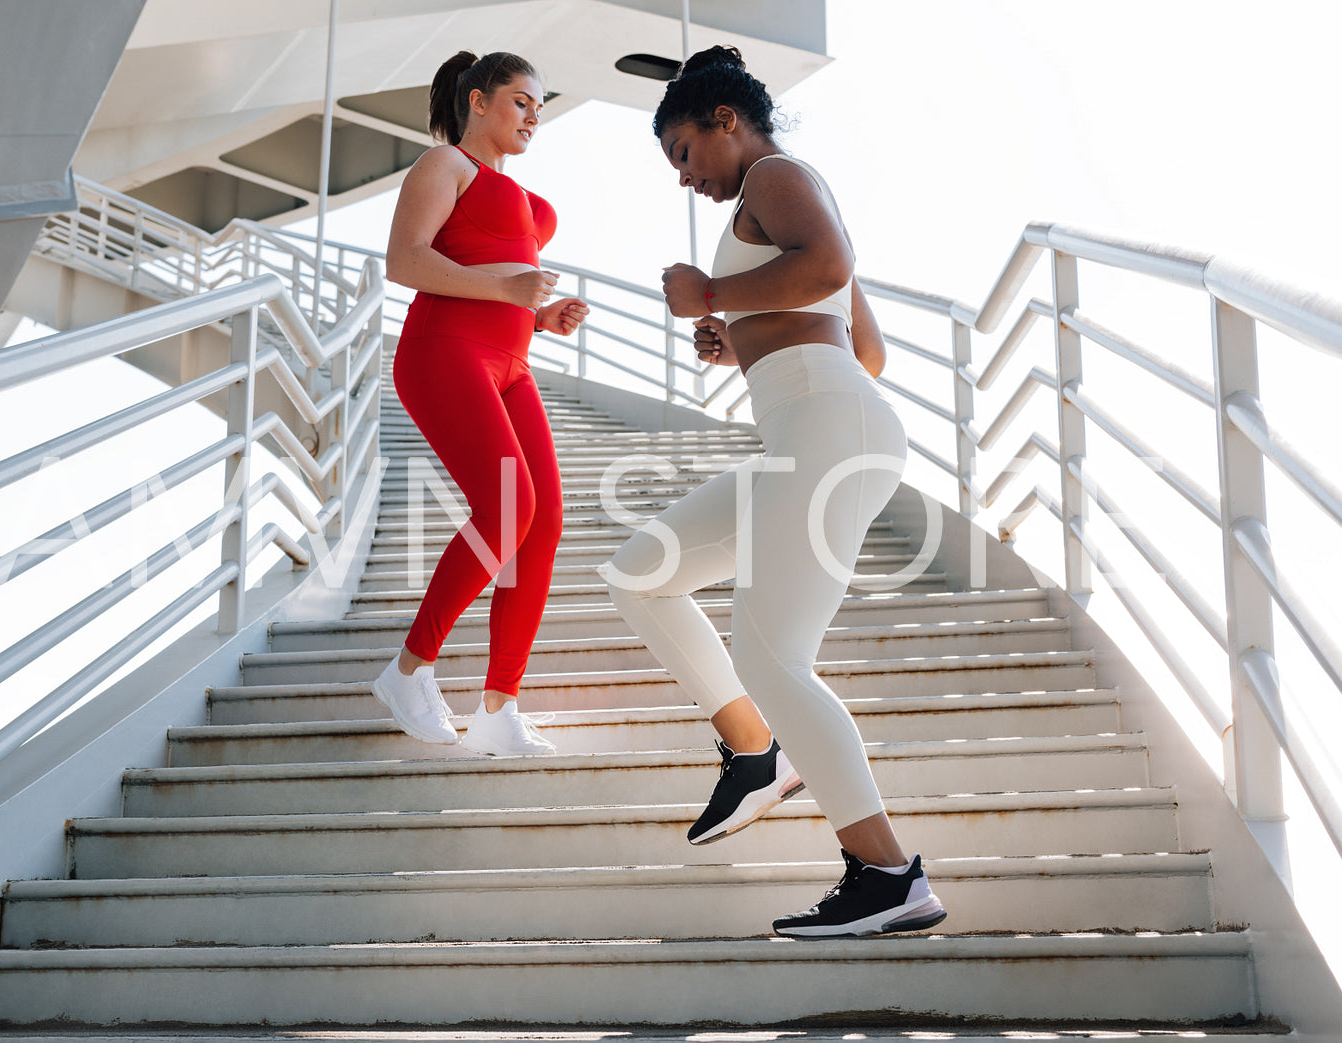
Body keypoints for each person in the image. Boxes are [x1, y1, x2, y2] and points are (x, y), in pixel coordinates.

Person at [600, 45, 946, 937]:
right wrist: (741, 330)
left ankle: (884, 875)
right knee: (641, 570)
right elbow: (859, 343)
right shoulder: (774, 194)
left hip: (831, 430)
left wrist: (713, 290)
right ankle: (755, 752)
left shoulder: (776, 172)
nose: (684, 178)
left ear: (726, 122)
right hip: (818, 423)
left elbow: (827, 268)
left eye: (682, 153)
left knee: (774, 657)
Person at [375, 50, 588, 756]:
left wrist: (536, 318)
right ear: (477, 101)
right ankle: (409, 669)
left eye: (540, 107)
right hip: (445, 352)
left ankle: (498, 708)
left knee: (544, 520)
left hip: (510, 362)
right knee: (507, 505)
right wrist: (506, 293)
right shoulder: (445, 166)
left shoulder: (519, 199)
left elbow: (494, 272)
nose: (533, 117)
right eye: (521, 101)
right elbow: (405, 260)